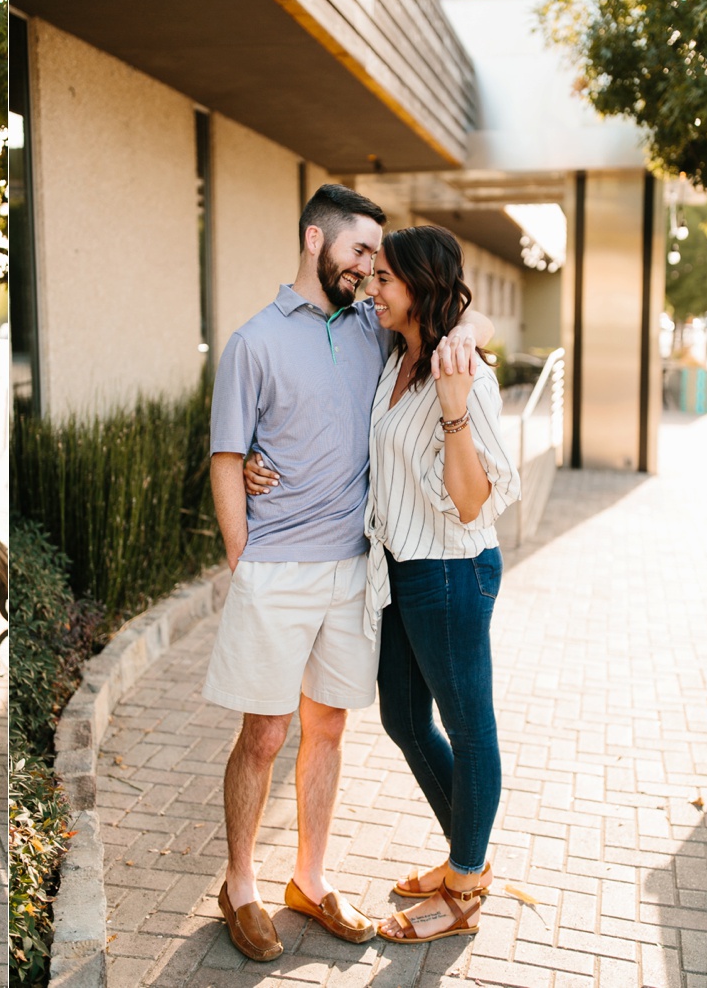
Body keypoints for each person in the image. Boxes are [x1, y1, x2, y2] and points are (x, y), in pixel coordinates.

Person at [207, 185, 491, 962]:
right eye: (360, 251)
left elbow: (449, 313)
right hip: (277, 569)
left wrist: (468, 330)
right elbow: (227, 458)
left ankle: (311, 878)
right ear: (314, 239)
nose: (369, 269)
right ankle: (240, 885)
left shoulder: (374, 327)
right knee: (265, 734)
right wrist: (242, 556)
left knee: (328, 727)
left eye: (377, 258)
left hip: (357, 570)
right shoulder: (254, 342)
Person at [361, 225, 519, 943]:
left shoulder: (467, 375)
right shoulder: (399, 355)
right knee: (402, 717)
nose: (373, 289)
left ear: (419, 286)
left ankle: (463, 892)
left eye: (384, 278)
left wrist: (454, 405)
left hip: (451, 572)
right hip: (400, 566)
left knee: (469, 726)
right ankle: (468, 855)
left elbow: (473, 500)